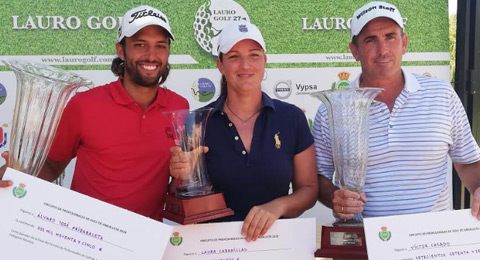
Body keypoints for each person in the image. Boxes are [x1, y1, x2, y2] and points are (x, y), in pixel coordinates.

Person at [0, 5, 188, 221]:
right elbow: (52, 165)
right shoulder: (84, 105)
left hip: (148, 242)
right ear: (120, 50)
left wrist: (186, 175)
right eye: (140, 45)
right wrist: (17, 173)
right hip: (86, 239)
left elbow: (176, 184)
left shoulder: (179, 107)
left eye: (161, 46)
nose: (151, 55)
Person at [314, 1, 480, 221]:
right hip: (362, 244)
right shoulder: (331, 109)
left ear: (404, 43)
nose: (383, 50)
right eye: (370, 39)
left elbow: (468, 162)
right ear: (354, 51)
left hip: (431, 243)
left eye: (390, 36)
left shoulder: (441, 95)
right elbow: (318, 177)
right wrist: (335, 196)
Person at [169, 21, 318, 241]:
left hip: (275, 247)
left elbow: (308, 189)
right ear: (220, 65)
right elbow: (177, 197)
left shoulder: (292, 117)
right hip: (213, 248)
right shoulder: (197, 122)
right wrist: (180, 178)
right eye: (234, 57)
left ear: (265, 61)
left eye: (254, 55)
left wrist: (277, 206)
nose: (245, 65)